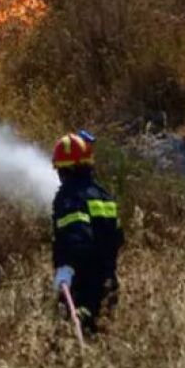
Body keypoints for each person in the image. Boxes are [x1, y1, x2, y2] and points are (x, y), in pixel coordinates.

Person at [50, 130, 124, 335]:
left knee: (73, 340)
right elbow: (117, 238)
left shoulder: (69, 197)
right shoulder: (104, 195)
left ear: (64, 169)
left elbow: (77, 238)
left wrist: (66, 269)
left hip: (82, 288)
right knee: (103, 341)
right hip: (108, 283)